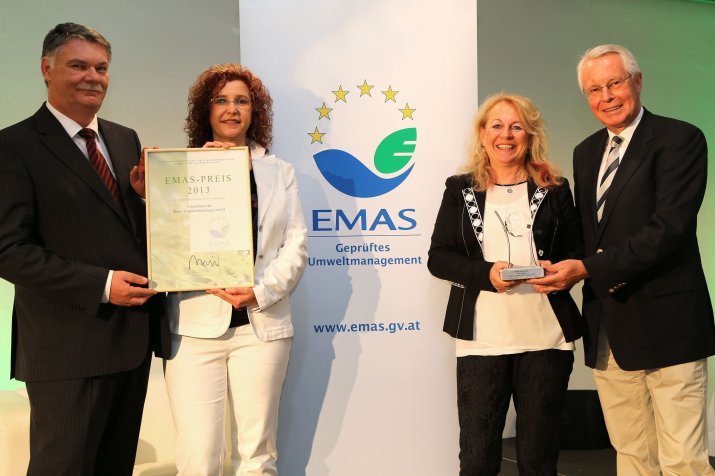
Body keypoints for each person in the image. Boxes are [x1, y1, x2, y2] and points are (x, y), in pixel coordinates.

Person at [530, 44, 715, 474]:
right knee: (631, 456)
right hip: (608, 327)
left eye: (614, 83)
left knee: (683, 460)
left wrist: (587, 269)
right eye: (594, 90)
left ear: (637, 81)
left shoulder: (679, 139)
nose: (606, 97)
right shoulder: (585, 152)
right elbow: (588, 234)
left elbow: (668, 229)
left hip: (668, 326)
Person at [0, 22, 169, 476]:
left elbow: (118, 229)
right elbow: (9, 250)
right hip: (66, 348)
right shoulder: (12, 146)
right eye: (78, 66)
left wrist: (147, 201)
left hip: (131, 342)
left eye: (101, 68)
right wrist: (102, 285)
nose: (93, 77)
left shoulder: (124, 138)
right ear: (46, 69)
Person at [156, 64, 307, 475]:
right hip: (193, 328)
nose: (231, 109)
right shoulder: (178, 169)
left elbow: (296, 244)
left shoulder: (280, 172)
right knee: (198, 456)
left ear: (254, 111)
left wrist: (261, 292)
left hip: (261, 328)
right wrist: (192, 176)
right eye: (221, 100)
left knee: (257, 456)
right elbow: (166, 240)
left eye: (242, 101)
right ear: (205, 110)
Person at [427, 93, 582, 475]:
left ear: (530, 135)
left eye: (517, 127)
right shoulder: (460, 189)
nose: (506, 135)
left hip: (546, 339)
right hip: (482, 341)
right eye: (497, 125)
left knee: (538, 459)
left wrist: (557, 271)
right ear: (483, 134)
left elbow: (576, 253)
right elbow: (439, 257)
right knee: (477, 459)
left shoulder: (555, 188)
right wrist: (487, 275)